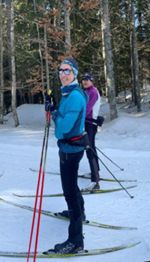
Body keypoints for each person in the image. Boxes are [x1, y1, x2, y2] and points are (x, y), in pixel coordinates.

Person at [44, 57, 88, 254]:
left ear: (75, 74)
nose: (63, 74)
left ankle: (76, 241)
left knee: (69, 192)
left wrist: (54, 114)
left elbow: (61, 129)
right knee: (72, 188)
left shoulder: (75, 96)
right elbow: (62, 117)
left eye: (67, 71)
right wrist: (54, 108)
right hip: (70, 148)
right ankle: (80, 211)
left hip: (70, 150)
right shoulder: (68, 93)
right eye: (60, 71)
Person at [80, 72, 101, 191]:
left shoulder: (92, 92)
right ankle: (96, 172)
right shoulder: (87, 92)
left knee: (90, 150)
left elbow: (87, 109)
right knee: (91, 148)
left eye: (87, 79)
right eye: (83, 79)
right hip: (87, 123)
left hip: (90, 124)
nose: (85, 81)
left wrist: (77, 119)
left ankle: (95, 181)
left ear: (92, 81)